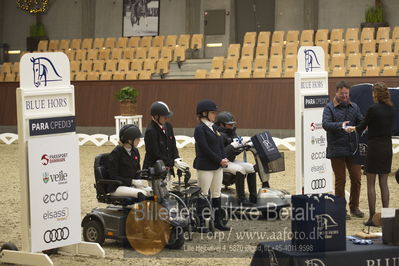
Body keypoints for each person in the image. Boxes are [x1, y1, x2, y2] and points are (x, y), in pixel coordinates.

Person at [345, 82, 395, 226]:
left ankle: (372, 217)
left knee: (371, 184)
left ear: (376, 94)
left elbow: (361, 126)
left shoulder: (373, 109)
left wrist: (352, 128)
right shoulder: (391, 109)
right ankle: (387, 217)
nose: (372, 95)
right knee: (384, 183)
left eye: (373, 93)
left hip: (374, 148)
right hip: (387, 148)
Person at [322, 81, 364, 219]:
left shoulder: (355, 107)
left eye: (346, 93)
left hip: (353, 149)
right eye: (342, 93)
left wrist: (363, 126)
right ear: (337, 93)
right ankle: (340, 210)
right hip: (336, 149)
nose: (345, 96)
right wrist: (341, 125)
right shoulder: (329, 108)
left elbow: (360, 121)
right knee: (340, 181)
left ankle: (354, 207)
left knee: (357, 179)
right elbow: (326, 124)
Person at [194, 99, 230, 231]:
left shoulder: (214, 128)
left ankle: (218, 221)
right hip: (205, 166)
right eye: (212, 113)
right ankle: (201, 222)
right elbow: (204, 149)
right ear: (204, 113)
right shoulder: (200, 129)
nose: (215, 115)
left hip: (217, 166)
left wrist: (224, 157)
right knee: (203, 194)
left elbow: (220, 145)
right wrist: (219, 160)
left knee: (216, 193)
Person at [143, 101, 189, 189]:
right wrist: (172, 162)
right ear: (156, 116)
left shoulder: (168, 126)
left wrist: (177, 159)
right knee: (158, 196)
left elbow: (172, 145)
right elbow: (155, 154)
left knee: (168, 192)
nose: (166, 119)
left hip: (167, 167)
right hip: (155, 169)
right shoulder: (151, 131)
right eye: (164, 116)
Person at [215, 111, 257, 206]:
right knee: (240, 170)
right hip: (222, 162)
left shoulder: (232, 133)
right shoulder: (219, 135)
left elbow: (236, 149)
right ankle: (241, 199)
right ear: (222, 124)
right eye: (230, 125)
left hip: (231, 160)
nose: (232, 126)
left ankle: (253, 197)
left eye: (233, 124)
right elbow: (222, 153)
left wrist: (245, 145)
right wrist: (233, 147)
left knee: (251, 168)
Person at [107, 124, 151, 199]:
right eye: (137, 139)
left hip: (130, 185)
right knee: (142, 193)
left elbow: (137, 170)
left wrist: (138, 181)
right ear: (129, 140)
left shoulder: (135, 151)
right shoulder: (116, 153)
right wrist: (132, 182)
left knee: (152, 191)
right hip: (117, 186)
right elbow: (113, 176)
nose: (139, 140)